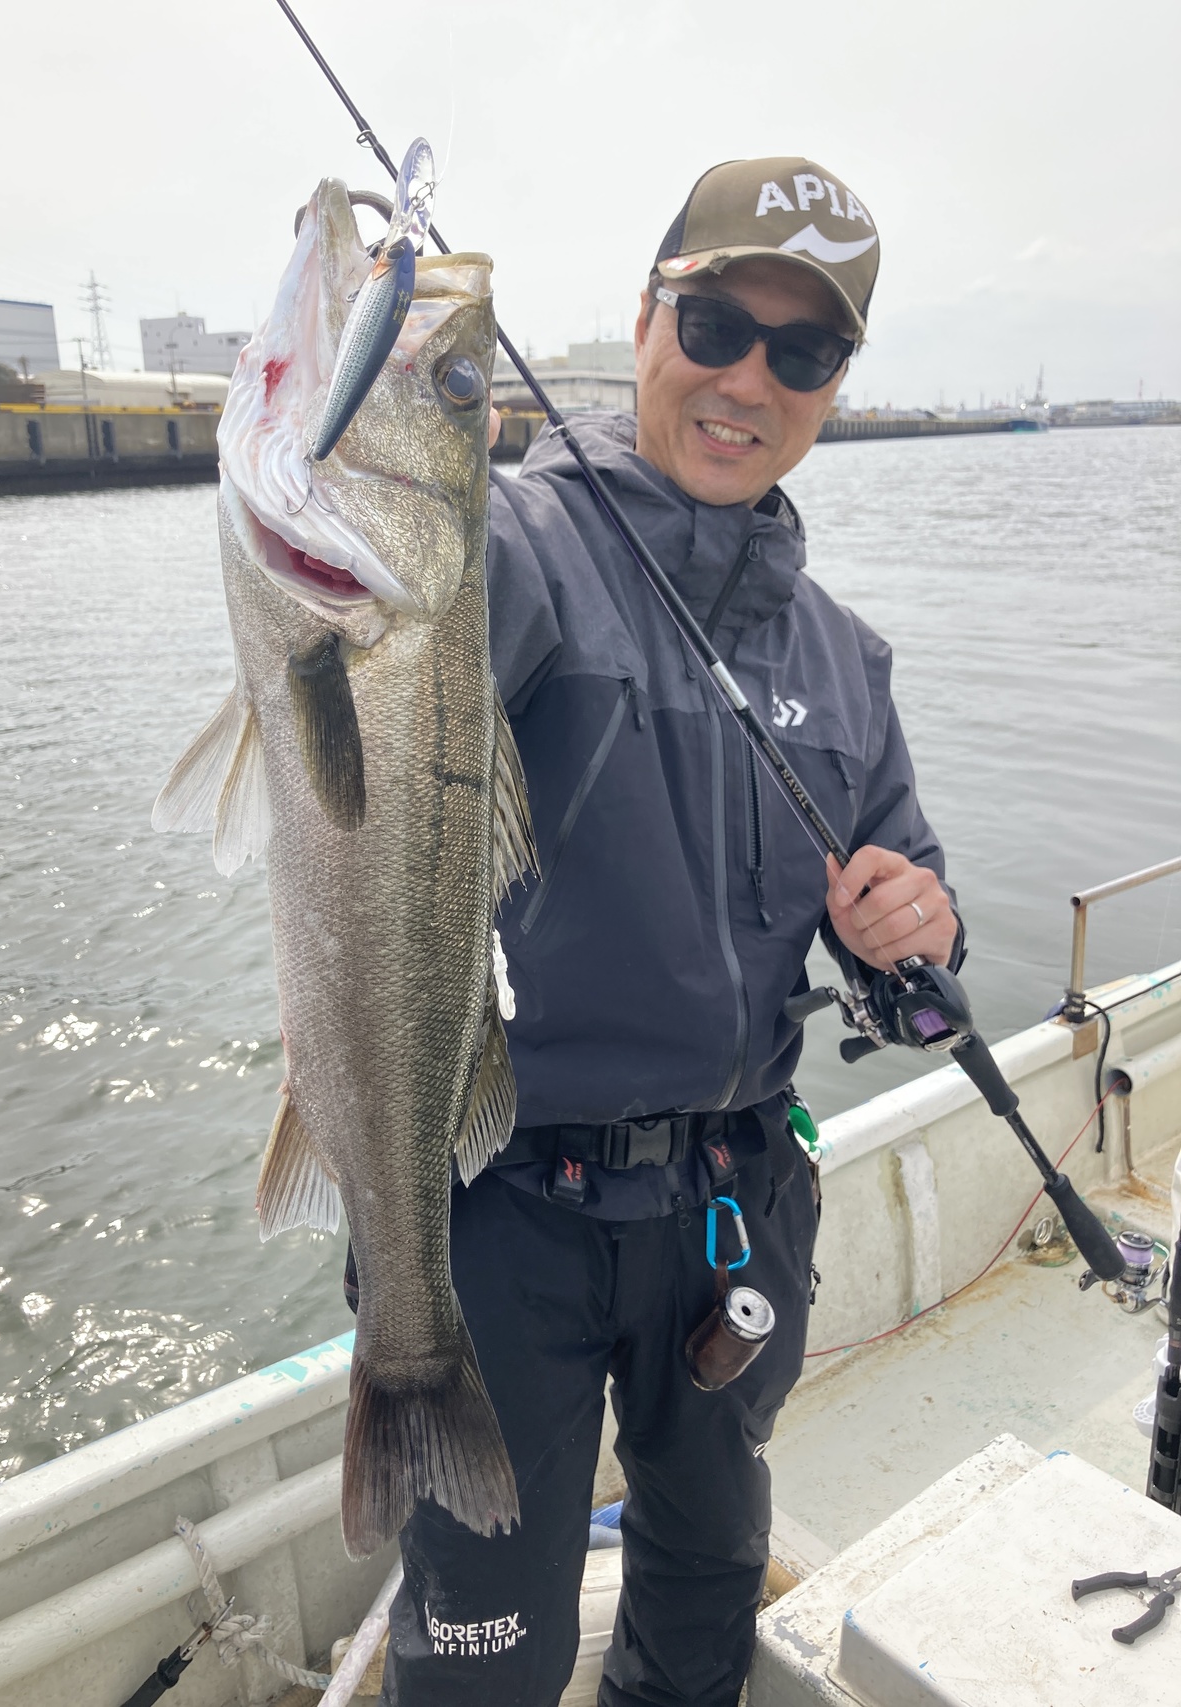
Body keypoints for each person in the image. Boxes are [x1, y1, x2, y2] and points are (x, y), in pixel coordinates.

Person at [381, 155, 964, 1707]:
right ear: (645, 320)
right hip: (505, 1208)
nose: (747, 380)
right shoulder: (506, 552)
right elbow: (363, 625)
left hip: (735, 1206)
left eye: (804, 350)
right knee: (484, 1630)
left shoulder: (845, 660)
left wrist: (914, 939)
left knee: (708, 1566)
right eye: (716, 325)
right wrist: (393, 424)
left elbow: (916, 980)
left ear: (834, 385)